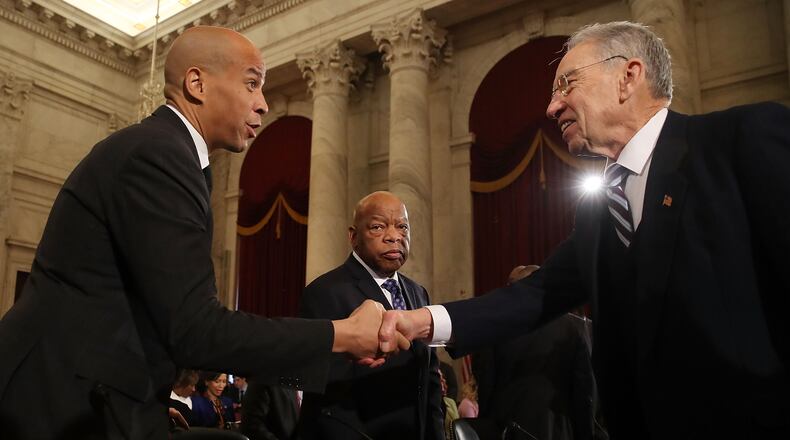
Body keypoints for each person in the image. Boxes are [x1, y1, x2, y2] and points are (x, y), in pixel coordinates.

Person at [381, 21, 790, 439]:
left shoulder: (740, 141)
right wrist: (422, 322)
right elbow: (535, 295)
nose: (551, 108)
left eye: (566, 85)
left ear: (628, 77)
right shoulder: (597, 213)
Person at [0, 26, 406, 439]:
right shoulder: (158, 156)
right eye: (252, 84)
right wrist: (340, 334)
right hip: (58, 404)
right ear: (197, 84)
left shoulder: (171, 154)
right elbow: (195, 329)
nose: (263, 104)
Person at [298, 191, 444, 440]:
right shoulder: (324, 292)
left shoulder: (418, 292)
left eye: (403, 227)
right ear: (353, 237)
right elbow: (327, 395)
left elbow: (429, 377)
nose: (394, 237)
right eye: (378, 227)